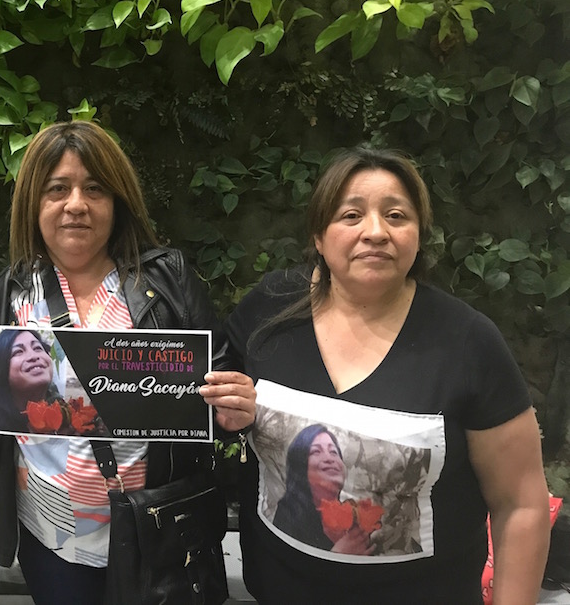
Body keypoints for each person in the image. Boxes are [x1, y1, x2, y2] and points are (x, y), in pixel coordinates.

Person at [0, 120, 255, 605]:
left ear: (117, 201)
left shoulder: (166, 280)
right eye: (57, 189)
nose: (76, 204)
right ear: (33, 203)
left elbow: (216, 388)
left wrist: (233, 408)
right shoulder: (9, 291)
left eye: (94, 189)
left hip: (158, 531)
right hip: (51, 536)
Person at [226, 148, 551, 603]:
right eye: (351, 215)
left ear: (418, 235)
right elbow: (212, 401)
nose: (376, 232)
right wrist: (228, 413)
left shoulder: (466, 342)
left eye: (396, 216)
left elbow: (520, 504)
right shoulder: (270, 307)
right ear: (318, 235)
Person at [272, 424, 374, 555]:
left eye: (333, 452)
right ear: (300, 466)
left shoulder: (355, 515)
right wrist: (338, 555)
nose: (329, 458)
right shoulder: (288, 513)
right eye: (316, 451)